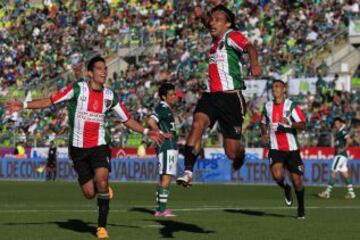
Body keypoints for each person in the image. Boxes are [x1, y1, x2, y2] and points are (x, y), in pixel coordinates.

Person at [5, 55, 165, 239]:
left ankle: (101, 227)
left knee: (102, 180)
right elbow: (50, 101)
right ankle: (100, 190)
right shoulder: (77, 89)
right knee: (90, 193)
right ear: (90, 73)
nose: (104, 71)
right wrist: (23, 105)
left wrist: (146, 131)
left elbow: (126, 119)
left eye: (105, 68)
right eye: (99, 68)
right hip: (78, 149)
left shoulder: (110, 96)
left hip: (99, 145)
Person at [176, 5, 261, 187]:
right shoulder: (217, 37)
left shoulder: (232, 36)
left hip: (231, 99)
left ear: (228, 24)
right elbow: (210, 23)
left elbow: (250, 47)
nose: (212, 23)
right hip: (211, 96)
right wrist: (201, 16)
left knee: (231, 152)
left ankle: (241, 153)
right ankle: (188, 172)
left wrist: (254, 62)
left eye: (217, 20)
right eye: (211, 19)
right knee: (198, 123)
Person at [260, 79, 306, 219]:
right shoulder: (267, 106)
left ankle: (301, 207)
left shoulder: (291, 106)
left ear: (284, 89)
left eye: (278, 87)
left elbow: (302, 124)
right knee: (277, 175)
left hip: (292, 149)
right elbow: (263, 122)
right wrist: (263, 134)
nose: (275, 89)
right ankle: (286, 188)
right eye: (273, 87)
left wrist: (290, 124)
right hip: (275, 148)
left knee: (297, 181)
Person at [147, 83, 178, 217]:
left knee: (163, 177)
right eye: (171, 95)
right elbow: (151, 121)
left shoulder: (166, 108)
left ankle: (159, 209)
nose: (174, 97)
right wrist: (160, 133)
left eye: (174, 94)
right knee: (166, 177)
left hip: (166, 146)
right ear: (164, 97)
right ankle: (161, 210)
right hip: (167, 146)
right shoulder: (162, 107)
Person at [317, 117, 356, 199]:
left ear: (341, 123)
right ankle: (351, 192)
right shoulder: (339, 132)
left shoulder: (343, 131)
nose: (336, 125)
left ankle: (327, 192)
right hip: (343, 156)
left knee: (333, 171)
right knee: (344, 173)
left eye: (338, 123)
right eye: (335, 124)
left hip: (340, 155)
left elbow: (349, 140)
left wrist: (343, 149)